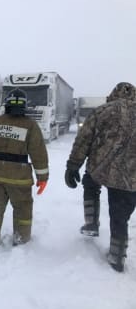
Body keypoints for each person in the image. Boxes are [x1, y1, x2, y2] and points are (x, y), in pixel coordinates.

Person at [65, 82, 136, 272]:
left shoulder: (103, 111)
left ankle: (91, 223)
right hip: (131, 176)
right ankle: (117, 256)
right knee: (120, 216)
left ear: (113, 94)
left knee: (90, 185)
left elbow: (84, 140)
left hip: (101, 168)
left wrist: (73, 166)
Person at [0, 88, 49, 250]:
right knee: (23, 210)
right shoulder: (30, 125)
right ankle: (21, 241)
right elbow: (38, 153)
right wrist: (42, 177)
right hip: (19, 178)